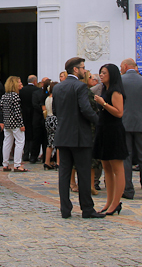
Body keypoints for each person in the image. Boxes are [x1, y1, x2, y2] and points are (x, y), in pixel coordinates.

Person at [53, 57, 103, 219]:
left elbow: (55, 110)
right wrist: (98, 121)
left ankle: (65, 209)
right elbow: (86, 109)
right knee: (83, 173)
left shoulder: (58, 88)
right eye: (82, 67)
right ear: (76, 70)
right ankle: (87, 208)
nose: (84, 70)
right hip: (80, 136)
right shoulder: (80, 86)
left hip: (63, 134)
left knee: (64, 174)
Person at [92, 64, 127, 216]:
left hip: (113, 130)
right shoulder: (105, 90)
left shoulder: (115, 91)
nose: (101, 75)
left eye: (104, 72)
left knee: (117, 168)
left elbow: (119, 113)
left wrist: (103, 104)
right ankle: (109, 201)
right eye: (100, 72)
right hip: (104, 129)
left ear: (111, 74)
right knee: (106, 167)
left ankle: (115, 202)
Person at [119, 58, 142, 200]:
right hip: (141, 123)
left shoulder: (120, 81)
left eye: (121, 66)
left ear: (126, 66)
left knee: (126, 157)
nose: (121, 69)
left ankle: (128, 189)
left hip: (124, 122)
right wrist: (141, 111)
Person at [0, 76, 26, 172]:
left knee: (7, 142)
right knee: (19, 142)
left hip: (7, 122)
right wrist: (21, 124)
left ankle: (5, 164)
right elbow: (17, 112)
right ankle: (17, 164)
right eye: (19, 82)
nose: (20, 83)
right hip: (15, 123)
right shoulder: (15, 96)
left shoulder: (4, 96)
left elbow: (1, 108)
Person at [19, 75, 38, 162]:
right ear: (35, 81)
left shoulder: (22, 91)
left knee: (25, 134)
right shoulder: (37, 90)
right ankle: (32, 154)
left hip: (24, 114)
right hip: (34, 114)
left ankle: (25, 153)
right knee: (33, 134)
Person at [44, 80, 58, 170]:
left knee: (50, 142)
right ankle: (58, 162)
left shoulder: (47, 98)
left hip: (48, 119)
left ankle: (47, 161)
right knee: (59, 142)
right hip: (55, 119)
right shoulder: (56, 98)